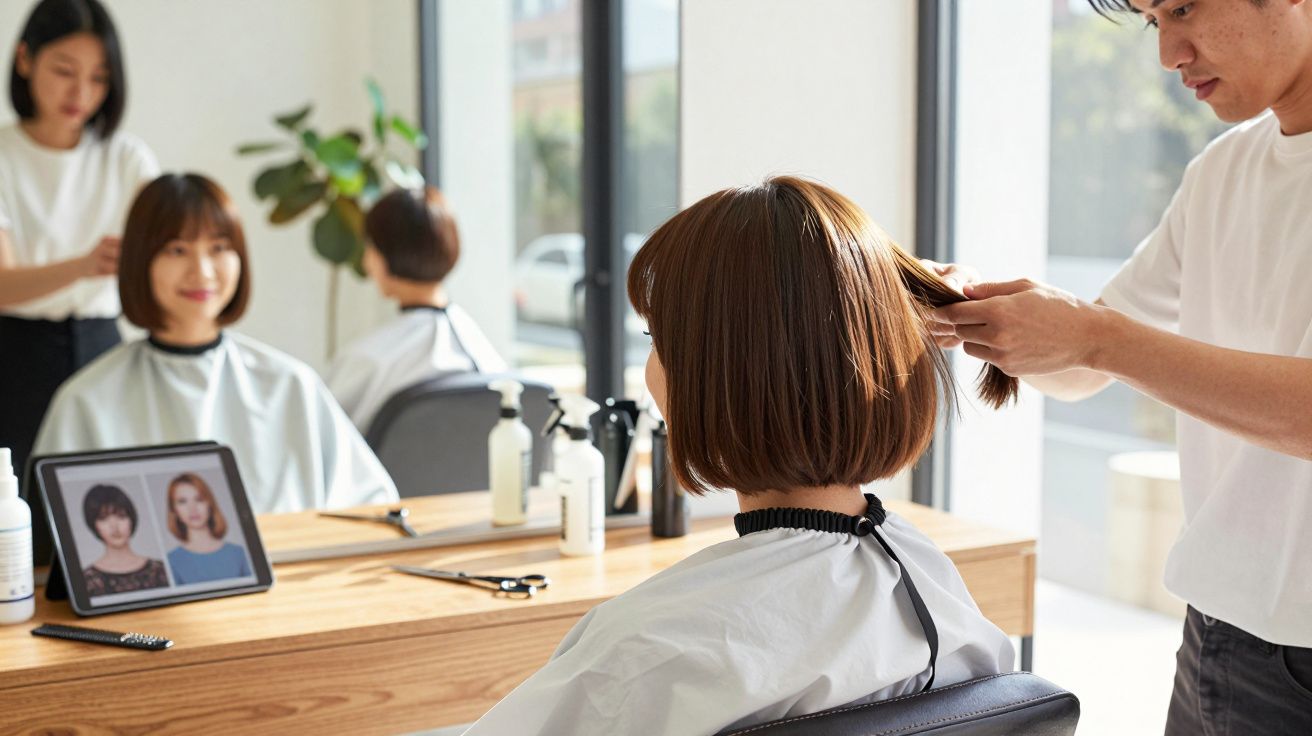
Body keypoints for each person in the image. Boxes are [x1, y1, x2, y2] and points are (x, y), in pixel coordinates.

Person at [463, 177, 1017, 735]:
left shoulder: (645, 648)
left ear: (719, 379)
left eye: (658, 341)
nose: (650, 371)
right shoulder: (935, 589)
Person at [928, 1, 1312, 732]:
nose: (1170, 53)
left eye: (1185, 8)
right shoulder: (1223, 172)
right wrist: (977, 310)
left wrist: (1095, 339)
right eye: (1152, 20)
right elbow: (1083, 368)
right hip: (1216, 632)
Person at [33, 173, 399, 513]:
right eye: (177, 250)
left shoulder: (290, 386)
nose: (203, 271)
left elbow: (374, 506)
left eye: (219, 247)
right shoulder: (87, 401)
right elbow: (49, 549)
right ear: (139, 262)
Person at [0, 0, 159, 477]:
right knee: (20, 506)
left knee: (108, 499)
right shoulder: (4, 155)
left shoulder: (126, 158)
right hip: (15, 357)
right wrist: (85, 265)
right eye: (65, 71)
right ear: (25, 59)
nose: (81, 92)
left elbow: (165, 241)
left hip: (103, 346)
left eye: (99, 78)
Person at [326, 187, 505, 434]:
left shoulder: (368, 360)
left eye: (370, 247)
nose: (366, 261)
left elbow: (317, 438)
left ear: (384, 255)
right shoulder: (485, 355)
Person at [80, 483, 167, 596]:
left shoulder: (159, 570)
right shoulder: (87, 580)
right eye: (103, 518)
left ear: (131, 519)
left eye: (121, 516)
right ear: (94, 525)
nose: (114, 526)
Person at [163, 473, 250, 585]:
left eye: (199, 499)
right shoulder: (171, 561)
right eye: (182, 501)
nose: (192, 508)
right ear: (174, 510)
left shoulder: (238, 553)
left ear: (209, 503)